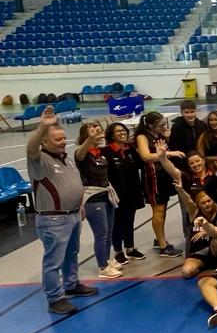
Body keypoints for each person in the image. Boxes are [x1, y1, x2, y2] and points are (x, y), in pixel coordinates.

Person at [27, 106, 97, 315]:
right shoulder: (39, 160)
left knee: (71, 254)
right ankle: (55, 298)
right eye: (57, 139)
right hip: (53, 220)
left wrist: (80, 204)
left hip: (72, 215)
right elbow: (30, 149)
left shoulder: (65, 158)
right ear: (44, 142)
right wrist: (42, 127)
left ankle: (71, 285)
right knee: (53, 260)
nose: (62, 141)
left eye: (64, 137)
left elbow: (72, 183)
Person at [75, 122, 121, 279]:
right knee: (101, 234)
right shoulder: (81, 153)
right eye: (95, 132)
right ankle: (102, 267)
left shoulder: (98, 152)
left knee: (108, 232)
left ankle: (107, 260)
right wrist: (90, 138)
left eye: (99, 131)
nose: (99, 134)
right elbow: (80, 153)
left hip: (106, 195)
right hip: (93, 198)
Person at [135, 111, 182, 257]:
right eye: (161, 125)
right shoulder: (142, 137)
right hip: (152, 177)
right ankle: (162, 246)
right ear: (150, 126)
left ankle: (159, 238)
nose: (163, 127)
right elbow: (146, 156)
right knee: (158, 210)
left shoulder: (159, 135)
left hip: (163, 175)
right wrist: (169, 154)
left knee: (163, 208)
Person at [102, 122, 146, 265]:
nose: (122, 133)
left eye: (124, 130)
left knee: (129, 221)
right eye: (118, 131)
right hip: (117, 194)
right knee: (118, 223)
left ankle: (130, 248)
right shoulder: (107, 151)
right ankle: (118, 251)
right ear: (111, 134)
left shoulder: (130, 150)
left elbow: (140, 164)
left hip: (132, 192)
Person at [175, 184, 217, 279]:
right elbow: (188, 201)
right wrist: (180, 190)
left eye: (209, 201)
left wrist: (206, 231)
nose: (207, 204)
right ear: (198, 204)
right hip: (199, 253)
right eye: (203, 203)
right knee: (187, 272)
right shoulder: (194, 212)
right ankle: (203, 266)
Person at [168, 100, 203, 168]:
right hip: (184, 161)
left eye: (192, 112)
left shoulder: (202, 125)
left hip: (199, 159)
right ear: (181, 112)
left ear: (196, 111)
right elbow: (174, 146)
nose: (190, 115)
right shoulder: (177, 127)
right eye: (186, 112)